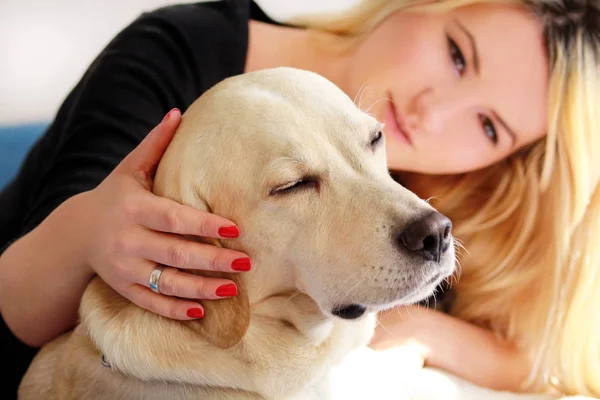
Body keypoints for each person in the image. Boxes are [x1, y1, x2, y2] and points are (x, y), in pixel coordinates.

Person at [0, 0, 598, 398]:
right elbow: (32, 313)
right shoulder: (176, 52)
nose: (431, 112)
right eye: (457, 54)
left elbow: (545, 351)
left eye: (489, 126)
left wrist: (423, 330)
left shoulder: (452, 188)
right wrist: (87, 231)